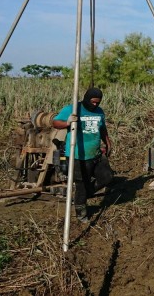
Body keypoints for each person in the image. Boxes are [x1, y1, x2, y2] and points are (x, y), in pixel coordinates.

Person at [52, 87, 113, 223]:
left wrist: (108, 142)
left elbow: (102, 128)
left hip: (95, 153)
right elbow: (55, 123)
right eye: (93, 102)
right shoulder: (73, 109)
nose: (95, 105)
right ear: (86, 99)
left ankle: (85, 194)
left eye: (98, 102)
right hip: (78, 155)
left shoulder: (99, 112)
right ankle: (81, 213)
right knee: (81, 184)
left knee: (107, 177)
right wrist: (68, 122)